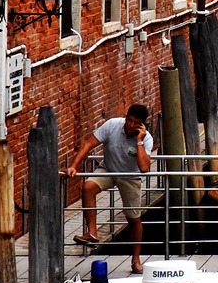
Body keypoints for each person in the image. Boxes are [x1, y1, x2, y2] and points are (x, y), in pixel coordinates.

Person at [66, 104, 154, 272]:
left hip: (130, 175)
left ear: (142, 124)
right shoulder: (112, 125)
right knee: (88, 186)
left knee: (133, 218)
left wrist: (139, 141)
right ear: (125, 117)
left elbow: (144, 167)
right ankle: (92, 232)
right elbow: (88, 144)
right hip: (109, 169)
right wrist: (73, 166)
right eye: (129, 120)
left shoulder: (146, 139)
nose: (130, 125)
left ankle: (136, 259)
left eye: (136, 123)